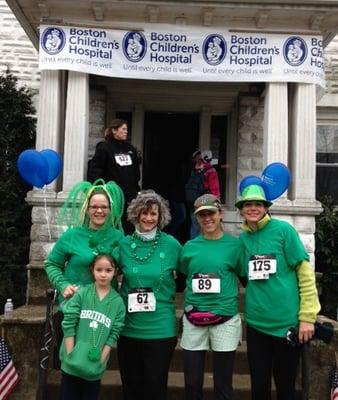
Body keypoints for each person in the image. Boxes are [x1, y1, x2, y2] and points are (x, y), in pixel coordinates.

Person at [235, 184, 321, 400]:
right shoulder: (243, 239)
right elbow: (244, 274)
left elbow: (305, 274)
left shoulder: (283, 231)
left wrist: (307, 317)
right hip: (256, 325)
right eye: (248, 204)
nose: (253, 208)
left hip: (286, 325)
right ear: (241, 209)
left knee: (285, 387)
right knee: (259, 385)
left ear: (265, 207)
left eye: (258, 204)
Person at [44, 179, 125, 363]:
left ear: (110, 209)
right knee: (71, 363)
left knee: (93, 365)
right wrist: (63, 285)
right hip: (74, 310)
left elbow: (124, 268)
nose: (99, 211)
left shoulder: (119, 238)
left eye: (104, 207)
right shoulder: (72, 236)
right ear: (86, 209)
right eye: (94, 206)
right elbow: (51, 264)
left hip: (102, 313)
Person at [117, 190, 182, 400]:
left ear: (160, 216)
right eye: (144, 213)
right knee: (131, 387)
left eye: (153, 214)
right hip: (129, 327)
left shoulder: (172, 244)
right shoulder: (124, 244)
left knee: (155, 388)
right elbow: (103, 272)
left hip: (160, 328)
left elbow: (189, 271)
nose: (148, 218)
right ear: (136, 214)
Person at [179, 194, 242, 400]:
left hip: (225, 318)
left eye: (211, 213)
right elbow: (184, 273)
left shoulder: (235, 246)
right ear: (197, 218)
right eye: (202, 215)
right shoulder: (189, 247)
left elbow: (243, 275)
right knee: (192, 382)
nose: (207, 219)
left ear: (220, 214)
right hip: (194, 318)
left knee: (223, 383)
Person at [59, 253, 126, 400]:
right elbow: (69, 322)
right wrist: (70, 352)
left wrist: (102, 358)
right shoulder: (82, 293)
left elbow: (114, 333)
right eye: (99, 269)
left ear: (115, 272)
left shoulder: (118, 303)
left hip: (93, 367)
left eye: (108, 270)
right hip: (72, 363)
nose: (103, 274)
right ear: (92, 270)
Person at [87, 118, 141, 233]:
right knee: (112, 222)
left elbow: (136, 171)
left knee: (129, 223)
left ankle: (127, 246)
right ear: (114, 131)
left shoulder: (130, 149)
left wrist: (136, 190)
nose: (126, 131)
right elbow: (95, 171)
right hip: (112, 194)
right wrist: (100, 190)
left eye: (127, 129)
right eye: (123, 129)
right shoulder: (104, 148)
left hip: (129, 195)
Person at [185, 149, 220, 239]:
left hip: (193, 201)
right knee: (207, 225)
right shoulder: (210, 170)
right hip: (205, 202)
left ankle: (193, 246)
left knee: (194, 225)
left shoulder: (193, 170)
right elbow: (214, 188)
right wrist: (217, 202)